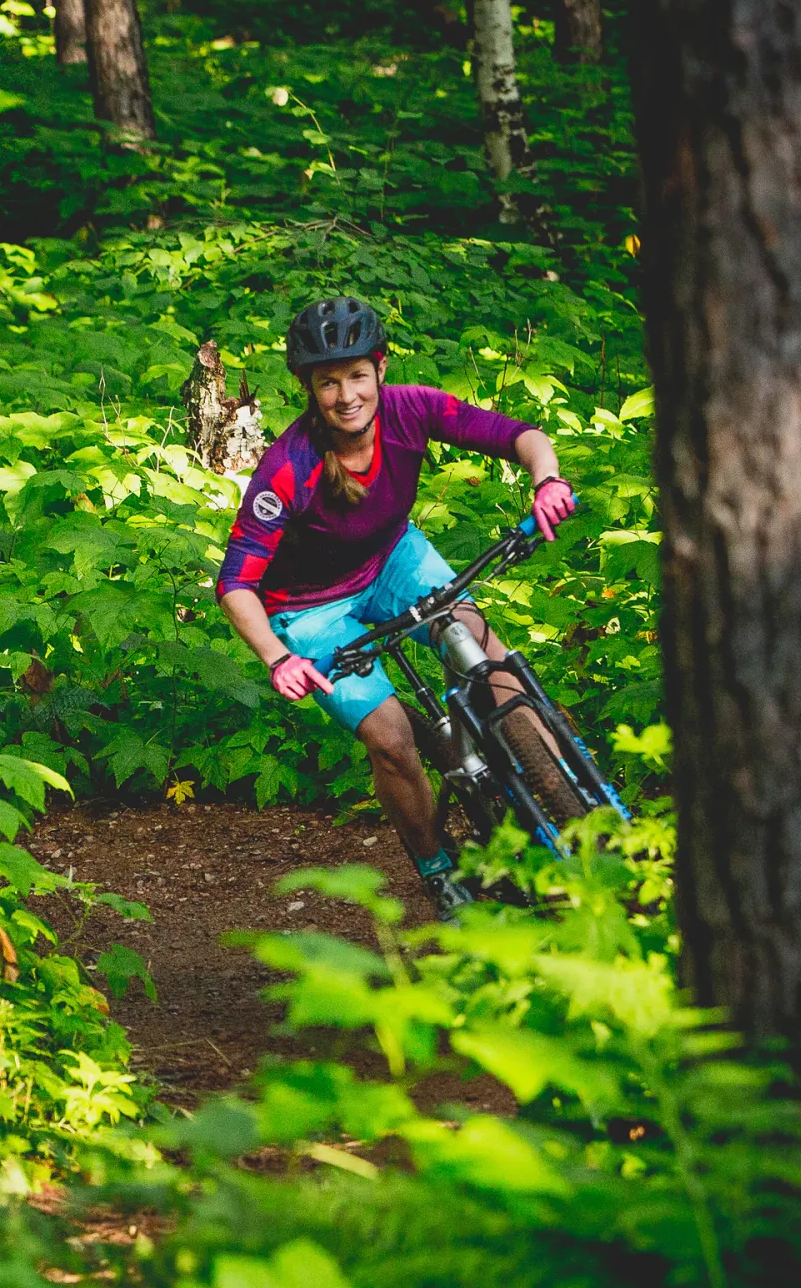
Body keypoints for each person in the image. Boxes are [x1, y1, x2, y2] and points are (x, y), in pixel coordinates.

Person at [215, 296, 576, 915]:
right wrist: (278, 658)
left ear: (380, 369)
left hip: (392, 560)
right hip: (308, 610)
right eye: (328, 382)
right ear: (308, 387)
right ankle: (438, 868)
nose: (346, 395)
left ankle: (571, 800)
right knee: (391, 739)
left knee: (477, 647)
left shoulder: (412, 409)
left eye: (357, 375)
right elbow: (236, 584)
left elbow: (517, 435)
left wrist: (547, 480)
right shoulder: (287, 468)